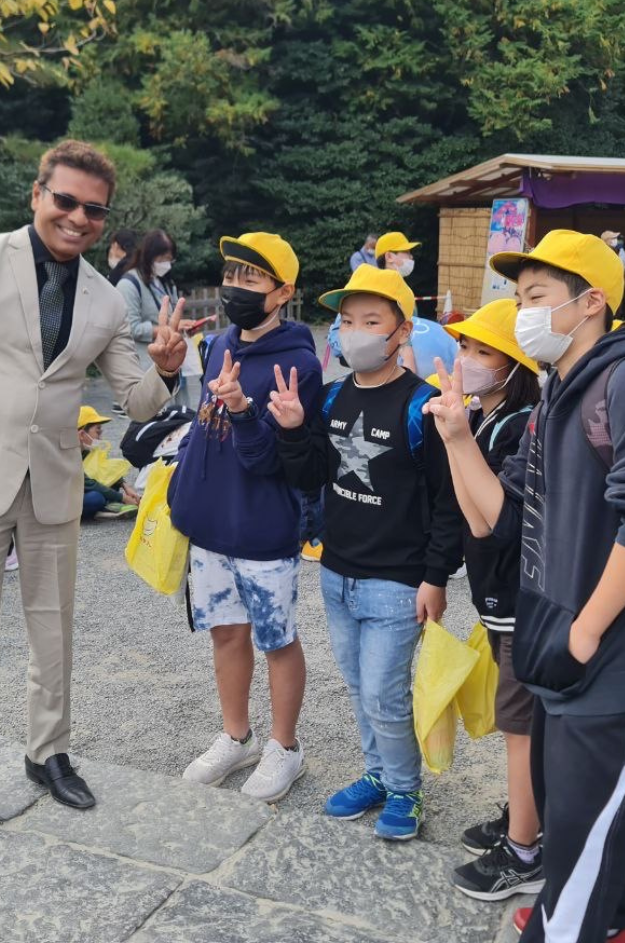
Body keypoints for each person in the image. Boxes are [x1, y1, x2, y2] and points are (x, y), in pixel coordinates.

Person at [0, 139, 187, 860]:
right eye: (65, 201)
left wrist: (166, 369)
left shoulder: (103, 296)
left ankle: (48, 752)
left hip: (55, 481)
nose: (78, 218)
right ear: (37, 195)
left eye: (94, 210)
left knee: (53, 631)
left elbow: (135, 399)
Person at [424, 230, 625, 942]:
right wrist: (457, 437)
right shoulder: (553, 395)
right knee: (573, 835)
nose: (522, 313)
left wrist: (585, 633)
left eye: (536, 296)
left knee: (584, 851)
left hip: (599, 666)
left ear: (591, 302)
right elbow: (497, 521)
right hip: (554, 656)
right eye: (517, 298)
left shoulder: (616, 382)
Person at [270, 264, 462, 841]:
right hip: (338, 574)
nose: (354, 332)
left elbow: (448, 501)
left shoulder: (424, 406)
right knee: (360, 686)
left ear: (402, 331)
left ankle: (405, 788)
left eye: (371, 321)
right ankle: (378, 773)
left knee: (384, 694)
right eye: (347, 321)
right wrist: (293, 429)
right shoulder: (332, 397)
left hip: (398, 583)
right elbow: (311, 477)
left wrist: (436, 577)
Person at [168, 232, 322, 804]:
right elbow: (199, 426)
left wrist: (242, 409)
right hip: (211, 524)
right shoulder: (217, 345)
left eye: (250, 278)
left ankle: (285, 746)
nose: (235, 287)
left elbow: (272, 461)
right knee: (226, 633)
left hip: (263, 527)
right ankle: (237, 735)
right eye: (231, 275)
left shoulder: (299, 364)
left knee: (277, 639)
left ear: (282, 292)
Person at [434, 300, 544, 902]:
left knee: (519, 725)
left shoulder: (519, 423)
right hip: (501, 597)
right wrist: (457, 436)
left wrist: (457, 439)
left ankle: (525, 849)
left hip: (521, 601)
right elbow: (468, 512)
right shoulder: (487, 416)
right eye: (464, 346)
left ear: (514, 365)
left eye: (484, 351)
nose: (468, 359)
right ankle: (526, 818)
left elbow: (488, 524)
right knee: (521, 723)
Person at [117, 228, 195, 405]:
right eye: (162, 259)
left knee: (181, 413)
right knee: (156, 413)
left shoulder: (164, 281)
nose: (166, 264)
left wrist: (183, 325)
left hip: (174, 362)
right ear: (149, 256)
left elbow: (171, 317)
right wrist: (164, 330)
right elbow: (131, 328)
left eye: (170, 259)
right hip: (146, 365)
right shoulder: (129, 284)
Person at [375, 231, 458, 379]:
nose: (411, 257)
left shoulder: (400, 286)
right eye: (406, 252)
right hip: (398, 366)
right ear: (389, 256)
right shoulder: (385, 287)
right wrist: (407, 355)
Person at [78, 405, 139, 519]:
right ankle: (105, 508)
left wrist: (125, 486)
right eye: (98, 431)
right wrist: (123, 498)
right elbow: (89, 483)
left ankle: (107, 507)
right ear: (82, 434)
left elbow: (105, 469)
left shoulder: (85, 449)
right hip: (60, 501)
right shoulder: (68, 455)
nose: (100, 438)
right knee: (95, 498)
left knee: (110, 485)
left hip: (78, 491)